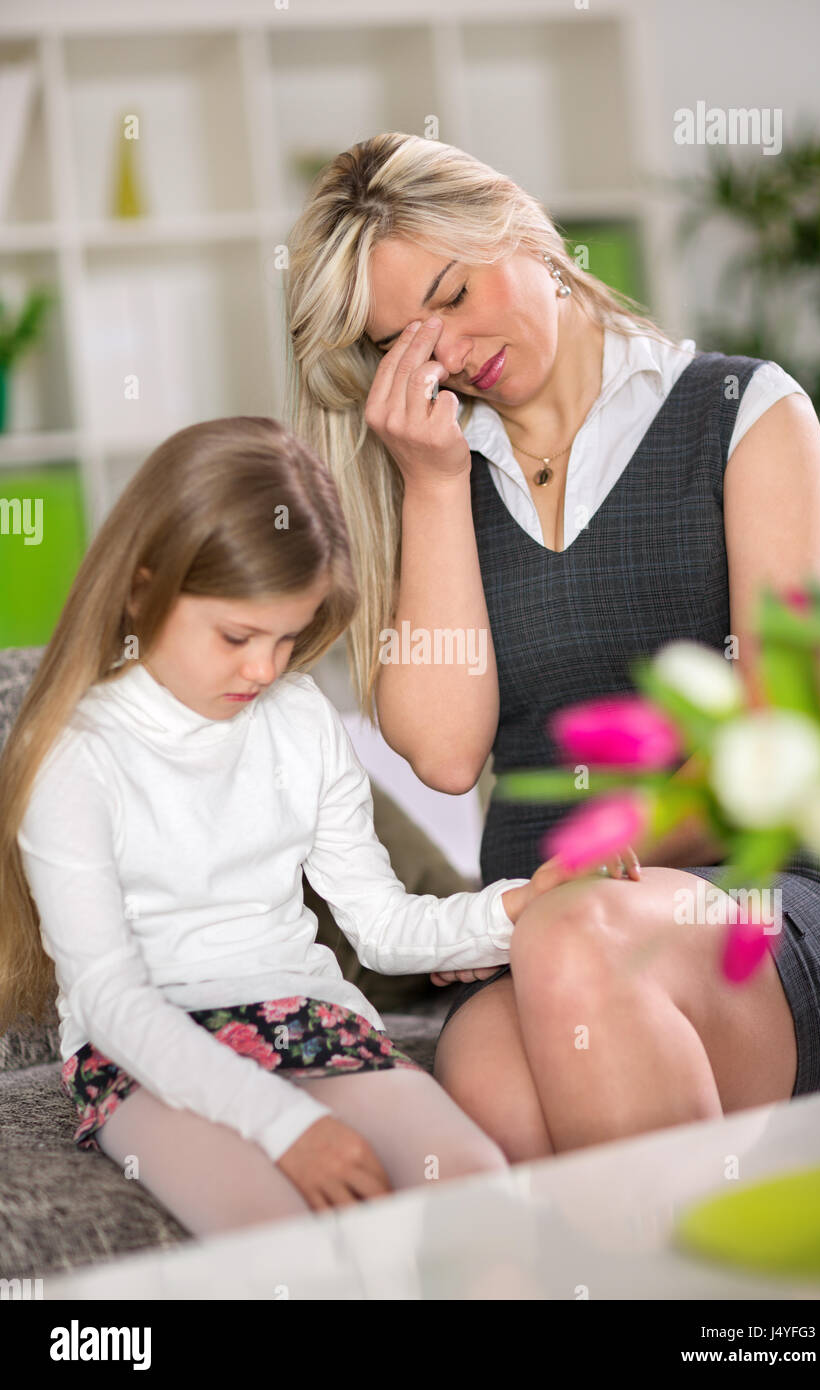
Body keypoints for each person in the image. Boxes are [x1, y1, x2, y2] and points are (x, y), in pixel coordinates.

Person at [282, 131, 820, 1163]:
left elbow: (772, 745)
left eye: (455, 296)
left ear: (517, 224)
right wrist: (429, 485)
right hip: (538, 940)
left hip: (748, 912)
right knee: (491, 1092)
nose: (451, 354)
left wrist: (576, 880)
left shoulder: (740, 414)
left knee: (573, 947)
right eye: (407, 341)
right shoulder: (436, 476)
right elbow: (447, 753)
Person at [0, 415, 580, 1238]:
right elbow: (112, 997)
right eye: (238, 636)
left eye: (288, 637)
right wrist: (286, 1127)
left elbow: (379, 924)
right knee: (279, 1242)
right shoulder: (74, 757)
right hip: (143, 1047)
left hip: (306, 1013)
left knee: (477, 1188)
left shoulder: (298, 716)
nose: (265, 670)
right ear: (142, 586)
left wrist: (513, 911)